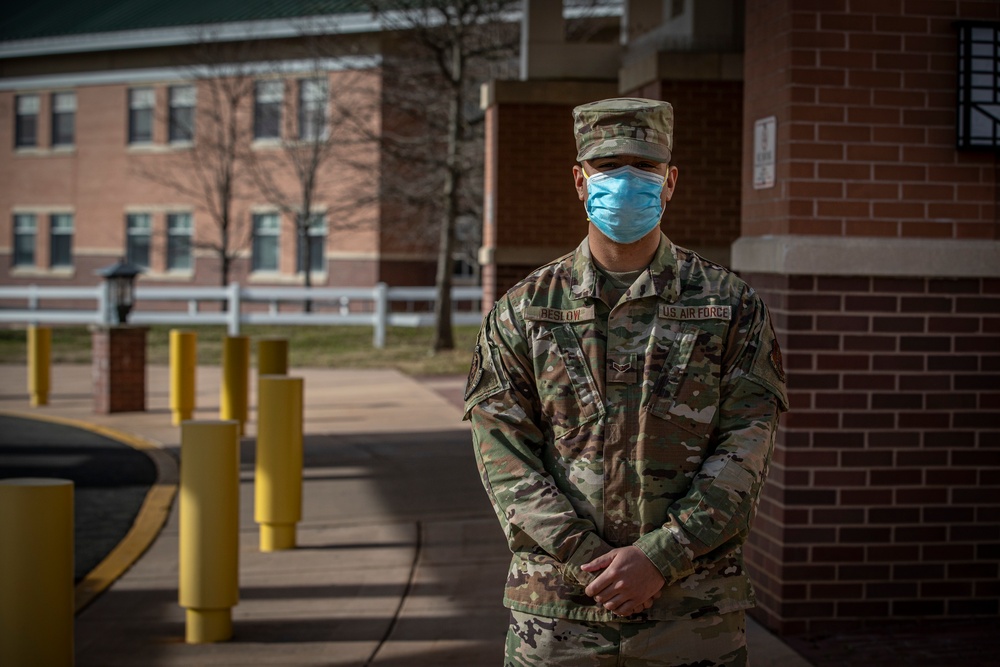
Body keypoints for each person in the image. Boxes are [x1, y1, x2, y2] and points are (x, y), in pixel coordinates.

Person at [463, 97, 788, 666]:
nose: (626, 180)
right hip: (558, 617)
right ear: (579, 179)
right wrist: (592, 563)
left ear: (670, 181)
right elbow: (504, 456)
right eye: (609, 166)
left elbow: (746, 448)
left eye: (644, 167)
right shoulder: (524, 312)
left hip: (692, 617)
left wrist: (660, 558)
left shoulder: (730, 306)